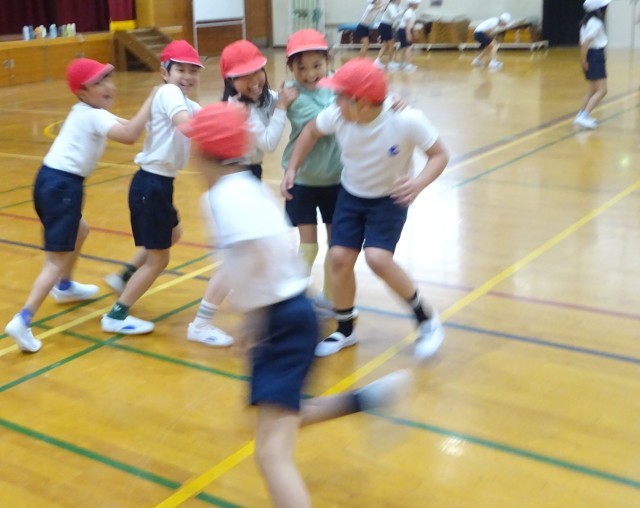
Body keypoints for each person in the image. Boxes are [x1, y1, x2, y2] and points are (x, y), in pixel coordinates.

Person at [179, 101, 413, 508]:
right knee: (285, 415)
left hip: (281, 320)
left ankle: (366, 401)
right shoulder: (246, 187)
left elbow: (253, 258)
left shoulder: (223, 197)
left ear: (202, 154)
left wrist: (254, 319)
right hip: (294, 314)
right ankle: (365, 400)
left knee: (271, 454)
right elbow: (274, 249)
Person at [286, 58, 449, 359]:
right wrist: (293, 168)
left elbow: (439, 155)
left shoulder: (406, 119)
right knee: (339, 258)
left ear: (360, 102)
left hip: (389, 200)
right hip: (351, 196)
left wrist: (418, 184)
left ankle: (427, 320)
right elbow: (309, 132)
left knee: (377, 258)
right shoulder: (337, 115)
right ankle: (345, 330)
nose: (334, 102)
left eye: (339, 96)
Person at [4, 58, 155, 352]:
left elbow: (127, 124)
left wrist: (154, 116)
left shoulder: (86, 111)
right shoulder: (94, 116)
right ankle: (23, 320)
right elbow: (129, 135)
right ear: (81, 92)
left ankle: (65, 287)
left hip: (49, 181)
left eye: (108, 79)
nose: (108, 86)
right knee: (54, 261)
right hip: (63, 187)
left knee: (80, 230)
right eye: (98, 83)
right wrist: (151, 99)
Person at [184, 40, 298, 347]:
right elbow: (269, 142)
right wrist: (282, 108)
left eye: (257, 71)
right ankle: (201, 323)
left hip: (247, 175)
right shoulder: (238, 110)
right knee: (234, 260)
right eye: (244, 76)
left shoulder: (263, 97)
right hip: (235, 175)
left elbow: (286, 95)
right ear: (229, 81)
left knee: (245, 257)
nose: (254, 80)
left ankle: (251, 301)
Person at [101, 40, 204, 335]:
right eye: (181, 69)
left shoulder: (186, 102)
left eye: (193, 71)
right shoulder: (170, 93)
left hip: (157, 184)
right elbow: (186, 125)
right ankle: (117, 315)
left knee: (173, 234)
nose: (187, 76)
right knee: (160, 258)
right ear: (165, 72)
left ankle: (126, 275)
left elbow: (204, 115)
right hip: (152, 184)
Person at [280, 29, 343, 318]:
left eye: (317, 65)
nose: (309, 74)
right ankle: (292, 299)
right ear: (290, 69)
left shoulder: (338, 84)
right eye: (301, 68)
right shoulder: (291, 94)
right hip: (303, 179)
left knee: (336, 244)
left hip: (336, 179)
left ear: (328, 61)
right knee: (308, 246)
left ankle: (330, 298)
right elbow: (323, 123)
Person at [574, 0, 611, 130]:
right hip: (595, 56)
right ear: (599, 10)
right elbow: (585, 43)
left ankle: (581, 114)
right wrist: (584, 61)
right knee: (602, 90)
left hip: (592, 56)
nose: (607, 10)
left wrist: (585, 60)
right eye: (605, 7)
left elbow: (583, 43)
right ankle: (584, 116)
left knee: (592, 90)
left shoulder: (586, 23)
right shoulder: (596, 24)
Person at [391, 0, 421, 72]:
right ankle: (407, 64)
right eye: (416, 3)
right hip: (404, 30)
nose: (418, 5)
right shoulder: (409, 12)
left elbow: (412, 24)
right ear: (412, 4)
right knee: (408, 47)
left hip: (405, 30)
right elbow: (407, 24)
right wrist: (408, 34)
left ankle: (403, 63)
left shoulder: (412, 12)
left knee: (404, 47)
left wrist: (414, 32)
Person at [373, 0, 403, 70]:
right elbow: (394, 16)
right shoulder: (391, 6)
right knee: (391, 45)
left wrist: (402, 11)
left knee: (386, 46)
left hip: (386, 26)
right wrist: (402, 12)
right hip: (385, 26)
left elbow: (400, 11)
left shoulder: (395, 6)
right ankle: (391, 62)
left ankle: (377, 61)